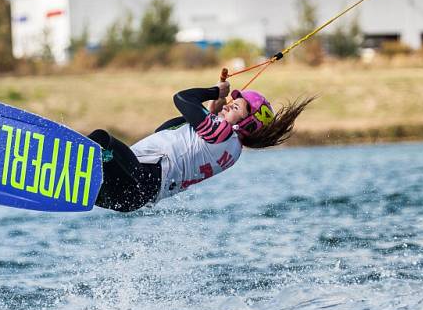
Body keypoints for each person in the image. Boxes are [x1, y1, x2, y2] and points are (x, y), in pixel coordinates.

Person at [89, 81, 313, 212]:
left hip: (140, 175)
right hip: (136, 196)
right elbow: (165, 131)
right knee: (97, 172)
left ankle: (65, 164)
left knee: (102, 139)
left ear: (247, 123)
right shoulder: (232, 151)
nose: (227, 107)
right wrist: (210, 112)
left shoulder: (223, 133)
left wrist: (214, 93)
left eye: (233, 107)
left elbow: (182, 98)